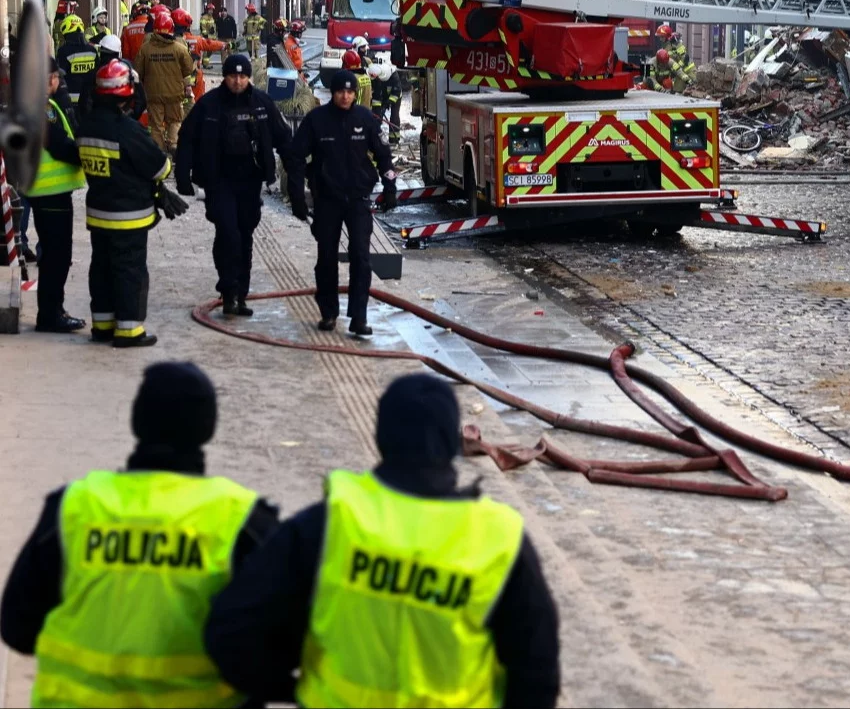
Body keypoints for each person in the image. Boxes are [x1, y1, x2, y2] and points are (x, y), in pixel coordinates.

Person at [203, 373, 560, 708]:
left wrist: (294, 689)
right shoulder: (499, 541)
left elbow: (231, 632)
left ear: (379, 437)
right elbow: (537, 674)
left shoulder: (328, 525)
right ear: (454, 445)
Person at [1, 362, 279, 707]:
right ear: (207, 429)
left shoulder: (74, 507)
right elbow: (276, 649)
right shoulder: (242, 522)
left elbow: (17, 628)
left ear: (136, 421)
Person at [77, 59, 187, 347]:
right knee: (129, 271)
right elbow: (161, 168)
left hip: (98, 212)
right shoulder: (127, 130)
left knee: (101, 268)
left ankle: (102, 325)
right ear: (126, 94)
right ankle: (129, 331)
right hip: (128, 215)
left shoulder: (86, 126)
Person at [175, 53, 292, 318]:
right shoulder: (209, 105)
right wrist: (183, 175)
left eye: (242, 76)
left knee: (245, 235)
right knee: (229, 234)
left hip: (250, 182)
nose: (237, 81)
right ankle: (228, 290)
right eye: (232, 76)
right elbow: (187, 139)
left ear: (248, 77)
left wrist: (294, 174)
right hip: (219, 181)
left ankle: (240, 293)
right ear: (225, 77)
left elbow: (284, 139)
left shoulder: (262, 104)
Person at [286, 68, 396, 336]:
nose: (345, 97)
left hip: (358, 198)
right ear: (333, 93)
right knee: (326, 257)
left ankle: (359, 317)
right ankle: (328, 312)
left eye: (349, 92)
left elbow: (383, 154)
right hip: (327, 199)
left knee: (361, 256)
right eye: (340, 92)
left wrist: (390, 184)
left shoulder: (365, 119)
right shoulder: (316, 121)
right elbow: (296, 158)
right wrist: (297, 195)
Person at [24, 59, 85, 333]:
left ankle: (52, 311)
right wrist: (86, 153)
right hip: (50, 192)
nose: (59, 81)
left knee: (54, 255)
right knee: (57, 256)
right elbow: (59, 144)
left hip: (48, 191)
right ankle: (50, 315)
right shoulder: (42, 108)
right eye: (56, 77)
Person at [134, 10, 195, 155]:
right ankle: (173, 144)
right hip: (175, 93)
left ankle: (159, 151)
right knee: (174, 121)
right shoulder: (179, 49)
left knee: (155, 126)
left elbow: (138, 71)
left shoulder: (145, 49)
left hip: (153, 94)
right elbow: (188, 69)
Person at [79, 34, 147, 122]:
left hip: (97, 124)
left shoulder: (93, 73)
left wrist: (91, 122)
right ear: (118, 52)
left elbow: (84, 103)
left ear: (101, 51)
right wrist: (130, 118)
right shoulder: (128, 72)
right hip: (123, 124)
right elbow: (141, 101)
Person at [55, 15, 98, 106]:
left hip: (71, 101)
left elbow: (59, 76)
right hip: (90, 100)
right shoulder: (92, 50)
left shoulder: (63, 51)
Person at [369, 55, 400, 146]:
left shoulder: (393, 75)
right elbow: (376, 94)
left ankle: (394, 139)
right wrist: (378, 110)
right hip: (382, 97)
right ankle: (375, 138)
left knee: (394, 116)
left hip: (395, 97)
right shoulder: (376, 77)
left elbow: (396, 92)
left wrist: (389, 102)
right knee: (377, 117)